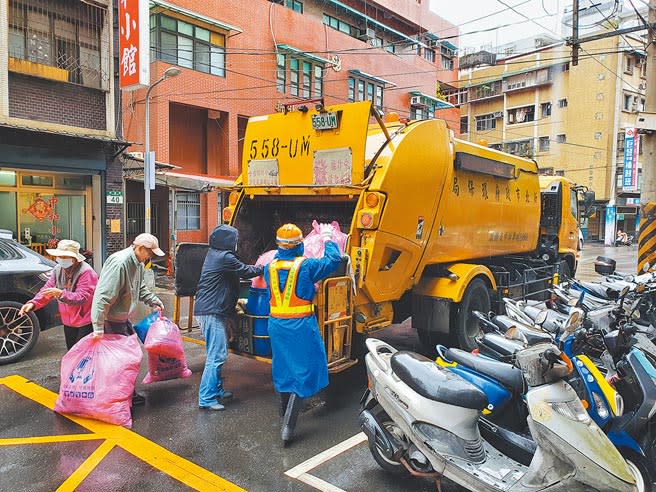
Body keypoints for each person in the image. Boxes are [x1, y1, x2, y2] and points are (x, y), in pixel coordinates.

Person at [264, 223, 341, 445]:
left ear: (279, 246)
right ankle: (288, 425)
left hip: (277, 325)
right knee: (304, 370)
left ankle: (284, 415)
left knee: (284, 368)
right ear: (300, 245)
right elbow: (333, 262)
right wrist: (327, 239)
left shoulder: (270, 267)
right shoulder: (305, 266)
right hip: (300, 326)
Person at [194, 224, 263, 411]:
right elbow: (247, 271)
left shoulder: (215, 254)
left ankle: (216, 390)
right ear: (227, 241)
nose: (237, 243)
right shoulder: (225, 257)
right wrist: (265, 266)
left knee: (216, 354)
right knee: (216, 356)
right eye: (234, 239)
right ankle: (207, 398)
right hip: (211, 311)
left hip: (212, 310)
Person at [91, 233, 165, 406]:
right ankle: (120, 397)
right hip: (111, 321)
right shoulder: (120, 263)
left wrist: (154, 300)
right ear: (140, 248)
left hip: (122, 319)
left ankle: (125, 395)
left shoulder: (138, 264)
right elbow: (103, 297)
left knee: (128, 359)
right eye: (150, 253)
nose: (151, 257)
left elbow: (140, 288)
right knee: (121, 361)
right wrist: (98, 327)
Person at [19, 240, 98, 350]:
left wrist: (61, 293)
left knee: (82, 355)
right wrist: (33, 304)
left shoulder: (86, 272)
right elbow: (47, 289)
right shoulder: (58, 269)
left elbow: (82, 297)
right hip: (68, 321)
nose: (60, 259)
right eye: (59, 256)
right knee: (71, 352)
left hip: (85, 321)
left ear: (74, 259)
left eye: (64, 256)